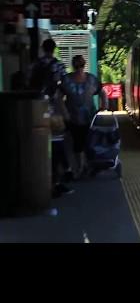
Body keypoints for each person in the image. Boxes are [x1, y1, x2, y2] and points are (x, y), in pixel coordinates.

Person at [28, 38, 74, 197]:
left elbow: (28, 83)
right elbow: (66, 88)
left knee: (40, 147)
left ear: (42, 48)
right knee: (57, 145)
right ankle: (58, 180)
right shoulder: (58, 66)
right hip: (53, 111)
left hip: (35, 109)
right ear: (54, 49)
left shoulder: (34, 65)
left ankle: (44, 181)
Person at [59, 55, 108, 178]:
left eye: (80, 65)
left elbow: (102, 92)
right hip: (75, 118)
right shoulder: (70, 80)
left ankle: (84, 167)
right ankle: (81, 168)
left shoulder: (87, 80)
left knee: (85, 143)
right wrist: (64, 113)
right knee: (79, 143)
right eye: (78, 65)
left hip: (87, 117)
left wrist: (104, 105)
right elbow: (58, 98)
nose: (79, 68)